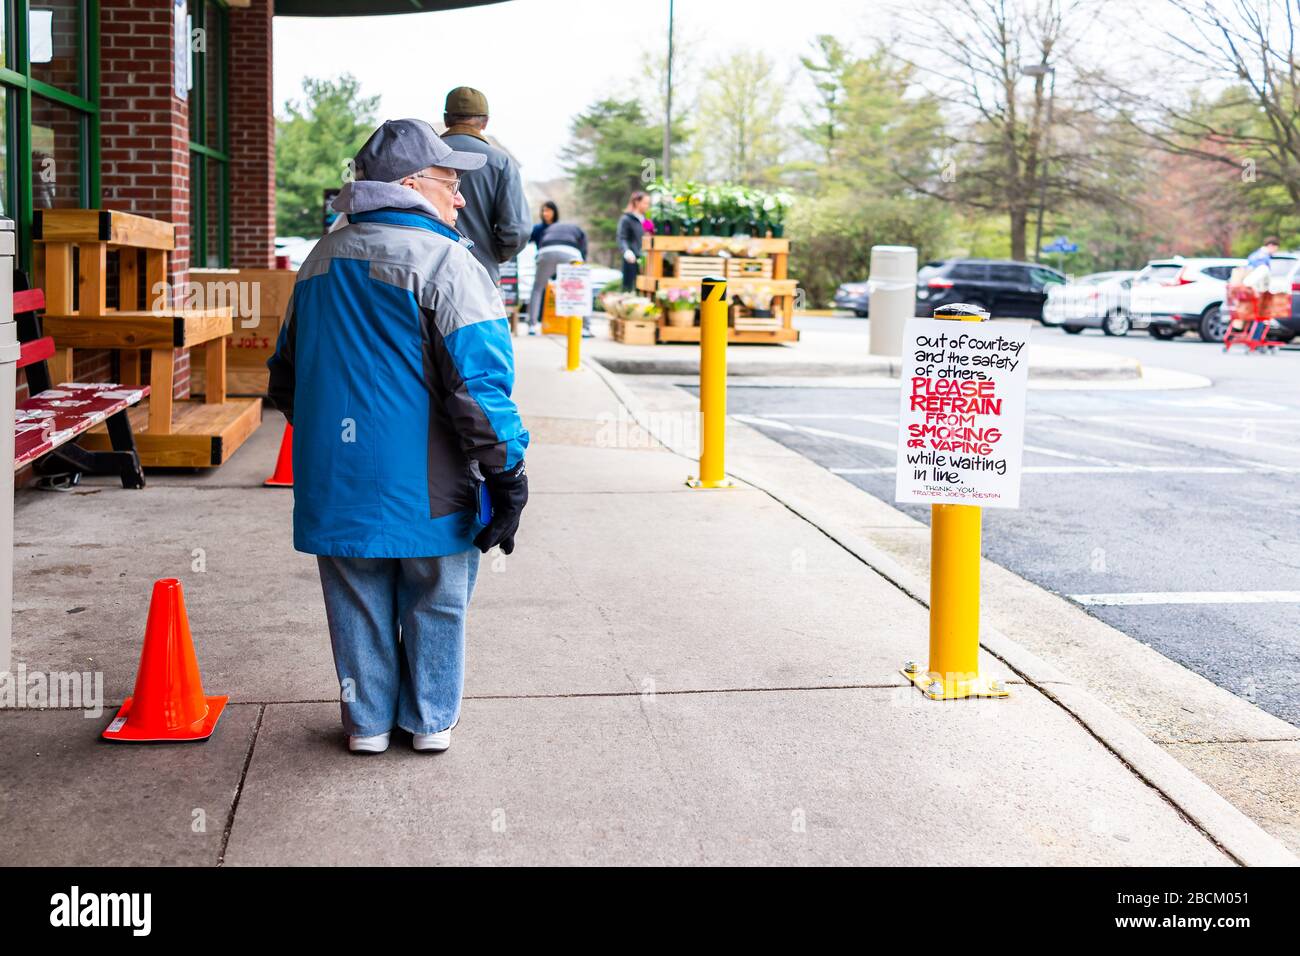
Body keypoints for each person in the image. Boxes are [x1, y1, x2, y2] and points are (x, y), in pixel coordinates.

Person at [267, 119, 529, 756]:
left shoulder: (319, 260)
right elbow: (479, 384)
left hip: (337, 478)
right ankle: (430, 721)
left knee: (355, 598)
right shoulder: (447, 261)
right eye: (450, 182)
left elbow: (285, 376)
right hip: (430, 482)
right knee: (437, 597)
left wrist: (336, 441)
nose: (461, 198)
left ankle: (368, 725)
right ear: (411, 185)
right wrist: (507, 471)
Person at [440, 86, 530, 285]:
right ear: (486, 122)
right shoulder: (501, 162)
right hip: (480, 276)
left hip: (424, 272)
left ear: (447, 119)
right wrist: (492, 254)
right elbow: (517, 230)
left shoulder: (421, 156)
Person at [527, 207, 590, 336]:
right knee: (581, 289)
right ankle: (586, 328)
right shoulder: (577, 230)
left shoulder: (549, 229)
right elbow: (583, 249)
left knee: (538, 288)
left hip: (546, 251)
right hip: (570, 252)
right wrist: (582, 262)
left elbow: (541, 245)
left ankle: (532, 326)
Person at [618, 190, 651, 292]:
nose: (647, 206)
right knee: (629, 288)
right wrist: (627, 251)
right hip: (632, 259)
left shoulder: (647, 220)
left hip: (646, 259)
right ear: (637, 202)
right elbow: (621, 237)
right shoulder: (627, 219)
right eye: (645, 203)